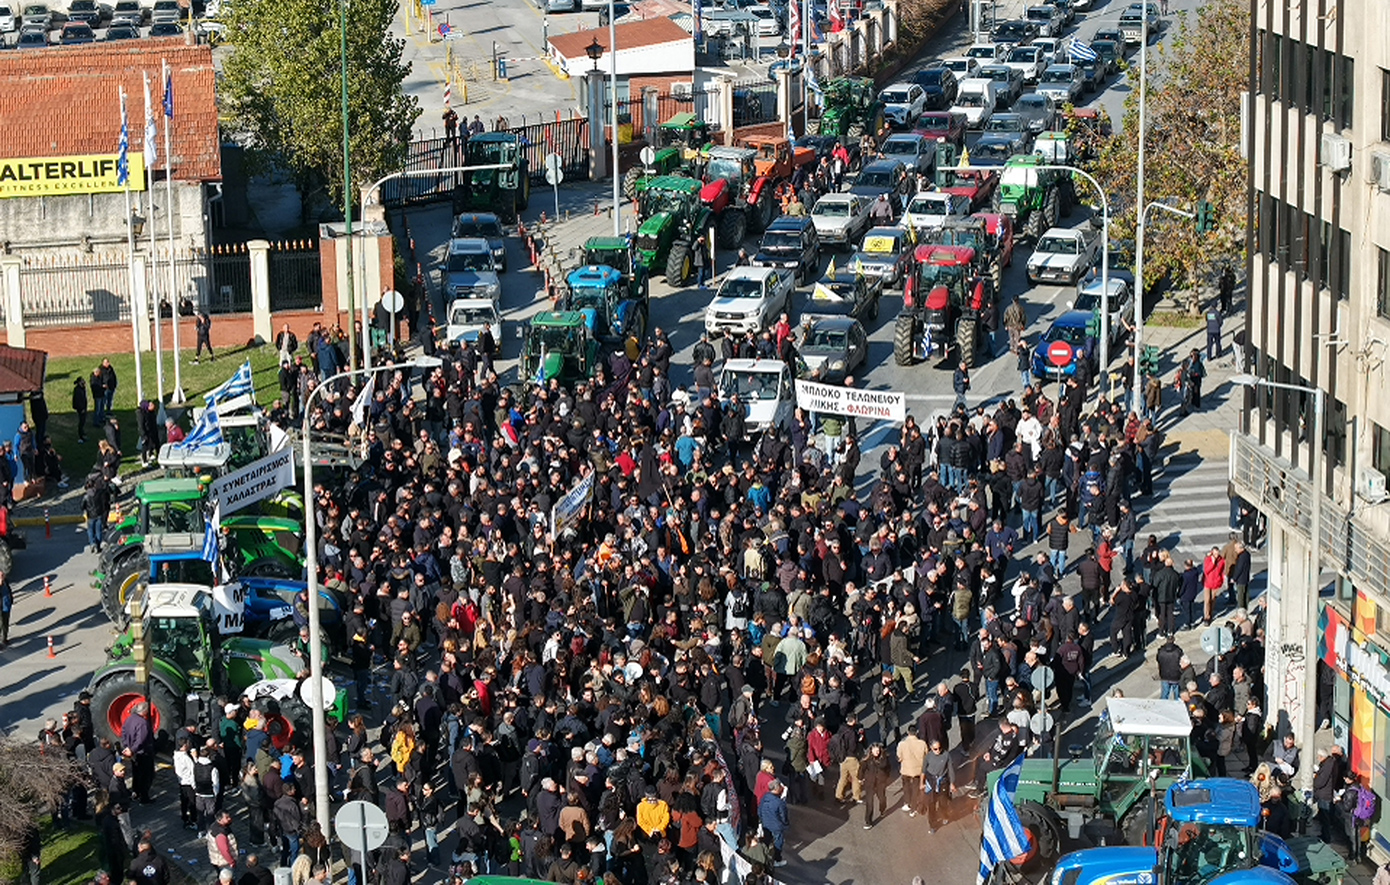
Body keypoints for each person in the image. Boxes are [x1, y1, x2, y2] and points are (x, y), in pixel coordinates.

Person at [73, 376, 89, 443]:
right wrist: (81, 408)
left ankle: (83, 433)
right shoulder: (77, 390)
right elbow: (77, 400)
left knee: (83, 421)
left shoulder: (82, 388)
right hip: (81, 408)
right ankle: (81, 435)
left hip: (83, 407)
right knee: (81, 422)